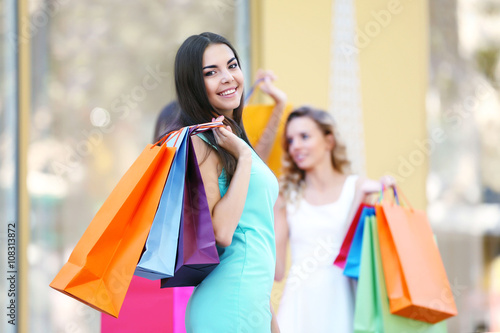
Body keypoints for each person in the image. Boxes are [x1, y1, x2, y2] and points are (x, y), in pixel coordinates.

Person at [170, 32, 284, 333]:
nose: (228, 78)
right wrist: (245, 158)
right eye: (211, 72)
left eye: (232, 66)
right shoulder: (201, 142)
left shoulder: (232, 139)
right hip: (227, 305)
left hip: (250, 303)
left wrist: (270, 318)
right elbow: (221, 232)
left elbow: (255, 239)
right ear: (193, 84)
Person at [274, 106, 394, 333]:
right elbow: (277, 271)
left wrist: (373, 194)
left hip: (345, 301)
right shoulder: (285, 197)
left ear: (329, 141)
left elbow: (351, 252)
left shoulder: (359, 187)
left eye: (304, 137)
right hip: (300, 307)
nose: (295, 146)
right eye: (290, 140)